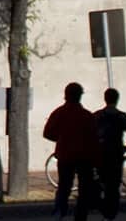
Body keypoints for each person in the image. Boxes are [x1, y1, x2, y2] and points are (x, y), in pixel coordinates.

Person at [41, 82, 98, 219]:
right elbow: (94, 138)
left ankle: (60, 211)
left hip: (65, 155)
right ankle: (80, 215)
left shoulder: (59, 113)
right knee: (84, 189)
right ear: (80, 96)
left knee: (64, 186)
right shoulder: (87, 115)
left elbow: (47, 133)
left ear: (66, 95)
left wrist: (61, 139)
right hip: (84, 157)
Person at [91, 88, 126, 221]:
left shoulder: (97, 116)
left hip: (101, 154)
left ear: (105, 99)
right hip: (116, 155)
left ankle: (102, 207)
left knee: (100, 182)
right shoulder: (122, 117)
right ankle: (111, 214)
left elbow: (91, 135)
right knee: (114, 186)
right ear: (117, 99)